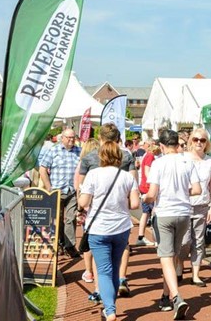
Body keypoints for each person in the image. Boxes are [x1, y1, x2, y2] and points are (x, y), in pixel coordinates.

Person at [78, 141, 140, 321]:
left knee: (104, 270)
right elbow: (135, 204)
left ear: (101, 156)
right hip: (121, 227)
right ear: (119, 157)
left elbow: (83, 203)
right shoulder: (127, 177)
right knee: (114, 269)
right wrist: (120, 203)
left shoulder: (93, 174)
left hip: (99, 228)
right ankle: (110, 306)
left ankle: (110, 310)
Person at [144, 129, 201, 320]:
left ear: (161, 145)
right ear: (177, 144)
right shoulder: (187, 161)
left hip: (164, 213)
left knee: (166, 258)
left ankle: (176, 297)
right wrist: (181, 192)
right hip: (184, 213)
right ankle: (165, 297)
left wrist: (145, 198)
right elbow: (197, 189)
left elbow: (152, 194)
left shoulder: (158, 163)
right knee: (173, 257)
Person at [179, 128, 211, 287]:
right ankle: (179, 265)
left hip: (202, 206)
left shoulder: (210, 161)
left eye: (202, 140)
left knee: (199, 241)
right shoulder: (183, 158)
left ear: (207, 143)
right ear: (190, 141)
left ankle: (195, 274)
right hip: (184, 205)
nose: (199, 143)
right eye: (196, 139)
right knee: (184, 241)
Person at [39, 128, 81, 258]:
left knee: (71, 218)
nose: (71, 140)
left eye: (73, 137)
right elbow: (42, 169)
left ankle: (70, 245)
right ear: (62, 138)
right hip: (57, 190)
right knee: (57, 219)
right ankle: (58, 243)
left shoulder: (79, 151)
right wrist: (49, 187)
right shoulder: (53, 150)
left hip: (72, 191)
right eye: (68, 137)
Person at [72, 138, 100, 286]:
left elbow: (78, 188)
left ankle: (89, 271)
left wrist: (79, 208)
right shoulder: (103, 166)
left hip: (87, 205)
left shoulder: (82, 166)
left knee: (87, 239)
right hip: (101, 206)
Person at [136, 139, 158, 247]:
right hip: (148, 188)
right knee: (155, 212)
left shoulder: (146, 155)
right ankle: (157, 238)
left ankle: (141, 236)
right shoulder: (150, 156)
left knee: (146, 213)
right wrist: (153, 184)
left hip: (144, 187)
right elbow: (147, 171)